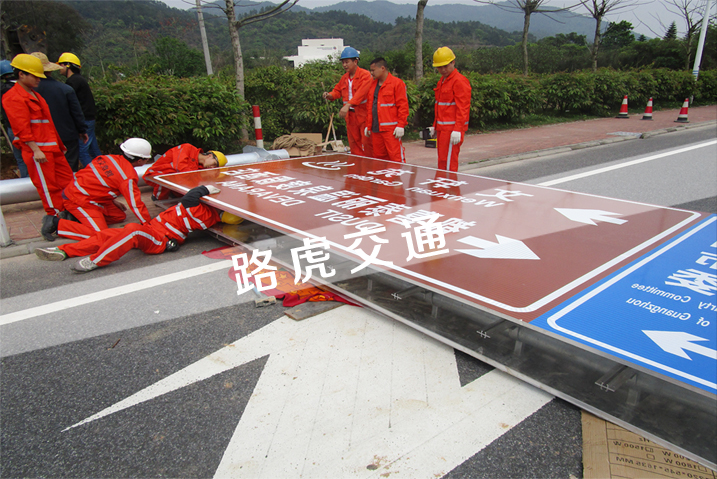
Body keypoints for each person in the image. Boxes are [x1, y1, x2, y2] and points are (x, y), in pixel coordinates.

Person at [35, 185, 243, 273]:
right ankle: (64, 251)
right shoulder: (210, 216)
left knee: (132, 230)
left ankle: (96, 261)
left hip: (158, 239)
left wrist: (206, 188)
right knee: (107, 234)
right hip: (153, 231)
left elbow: (190, 197)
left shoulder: (204, 213)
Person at [2, 54, 73, 226]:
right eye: (35, 76)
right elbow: (21, 128)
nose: (39, 80)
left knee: (67, 181)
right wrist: (35, 150)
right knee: (48, 187)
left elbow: (46, 124)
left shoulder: (34, 95)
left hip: (51, 148)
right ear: (21, 74)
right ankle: (55, 219)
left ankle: (70, 211)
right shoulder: (14, 97)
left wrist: (58, 146)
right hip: (39, 152)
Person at [40, 138, 153, 242]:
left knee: (119, 216)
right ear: (140, 161)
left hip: (86, 195)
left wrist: (112, 200)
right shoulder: (127, 177)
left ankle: (76, 218)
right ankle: (56, 223)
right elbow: (136, 204)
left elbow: (97, 181)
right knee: (100, 234)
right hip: (79, 200)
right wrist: (148, 225)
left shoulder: (107, 158)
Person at [32, 52, 88, 172]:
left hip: (40, 139)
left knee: (46, 170)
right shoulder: (65, 89)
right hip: (66, 134)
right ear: (50, 70)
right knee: (69, 168)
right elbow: (76, 113)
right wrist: (82, 130)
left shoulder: (28, 92)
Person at [323, 47, 373, 157]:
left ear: (355, 61)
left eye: (347, 62)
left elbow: (361, 94)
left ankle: (368, 169)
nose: (344, 65)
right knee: (354, 144)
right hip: (350, 116)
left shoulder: (365, 75)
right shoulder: (345, 78)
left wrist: (347, 105)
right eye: (343, 62)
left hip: (363, 114)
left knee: (366, 143)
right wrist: (330, 95)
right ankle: (357, 170)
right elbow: (337, 90)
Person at [428, 47, 471, 172]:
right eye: (439, 67)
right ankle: (442, 189)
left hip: (452, 131)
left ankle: (450, 190)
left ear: (453, 62)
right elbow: (440, 106)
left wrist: (458, 129)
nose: (443, 70)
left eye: (445, 66)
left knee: (448, 163)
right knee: (442, 161)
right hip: (443, 130)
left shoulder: (459, 81)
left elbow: (463, 107)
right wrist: (435, 126)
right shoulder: (442, 81)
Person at [57, 52, 101, 166]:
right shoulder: (79, 79)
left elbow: (72, 104)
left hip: (85, 119)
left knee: (82, 151)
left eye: (61, 65)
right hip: (89, 118)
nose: (59, 68)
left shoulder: (73, 82)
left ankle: (94, 175)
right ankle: (105, 169)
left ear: (68, 65)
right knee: (93, 149)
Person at [143, 143, 228, 201]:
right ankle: (157, 197)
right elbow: (180, 167)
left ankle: (173, 194)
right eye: (214, 164)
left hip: (176, 180)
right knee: (169, 174)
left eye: (215, 167)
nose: (212, 167)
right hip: (155, 175)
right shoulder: (187, 148)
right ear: (210, 156)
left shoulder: (201, 167)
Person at [364, 58, 409, 163]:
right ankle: (382, 179)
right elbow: (370, 106)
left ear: (382, 68)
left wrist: (401, 125)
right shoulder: (372, 85)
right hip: (376, 130)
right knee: (379, 160)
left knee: (396, 158)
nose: (371, 73)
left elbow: (403, 106)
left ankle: (397, 179)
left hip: (391, 131)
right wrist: (368, 125)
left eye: (373, 70)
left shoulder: (397, 84)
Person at [1, 59, 28, 178]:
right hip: (26, 127)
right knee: (31, 156)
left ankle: (24, 182)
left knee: (20, 159)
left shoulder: (2, 89)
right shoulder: (22, 87)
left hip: (11, 127)